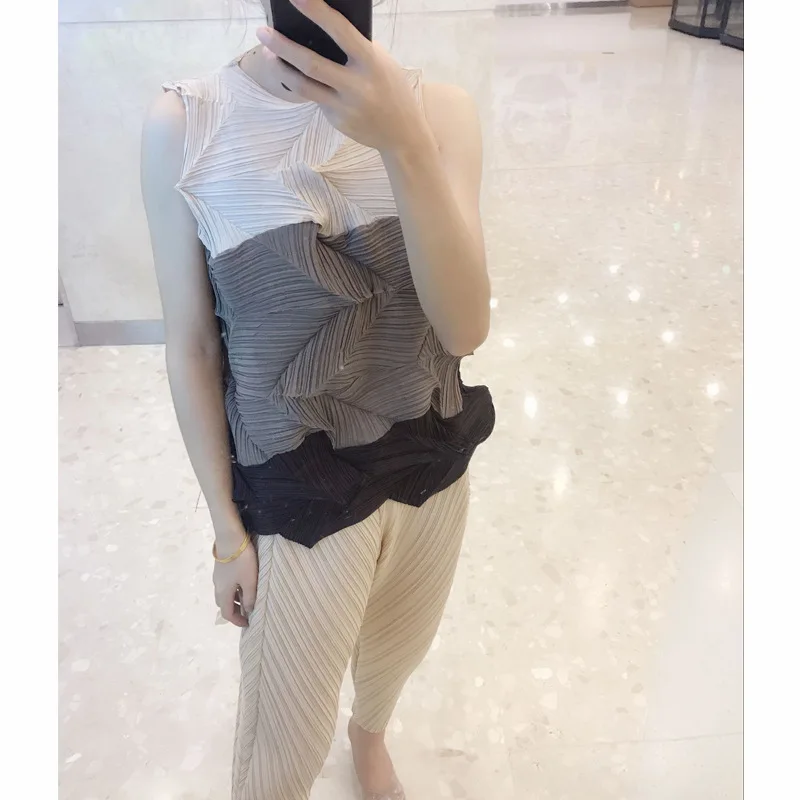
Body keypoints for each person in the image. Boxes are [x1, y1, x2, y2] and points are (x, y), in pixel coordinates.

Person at [140, 0, 494, 797]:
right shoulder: (187, 124)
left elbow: (464, 329)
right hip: (296, 488)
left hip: (430, 456)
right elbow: (193, 345)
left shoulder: (441, 112)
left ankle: (369, 739)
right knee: (282, 736)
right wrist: (226, 533)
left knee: (397, 648)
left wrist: (403, 142)